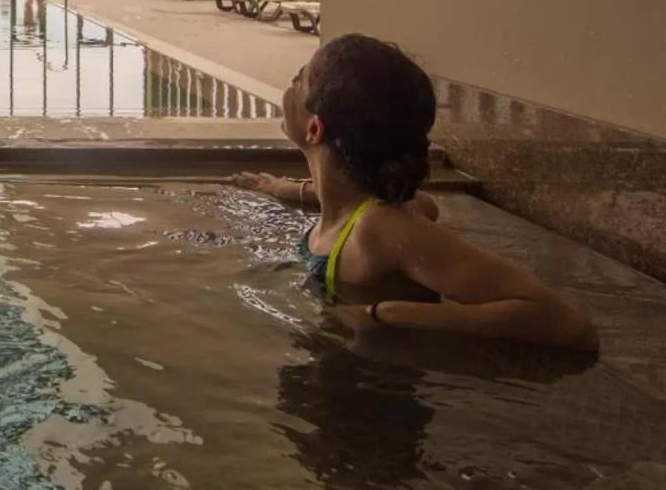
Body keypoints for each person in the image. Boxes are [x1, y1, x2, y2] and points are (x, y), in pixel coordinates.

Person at [232, 34, 597, 350]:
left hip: (376, 416)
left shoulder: (380, 230)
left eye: (300, 80)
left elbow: (566, 324)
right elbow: (421, 206)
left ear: (315, 129)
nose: (289, 86)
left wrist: (387, 313)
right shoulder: (361, 216)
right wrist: (285, 188)